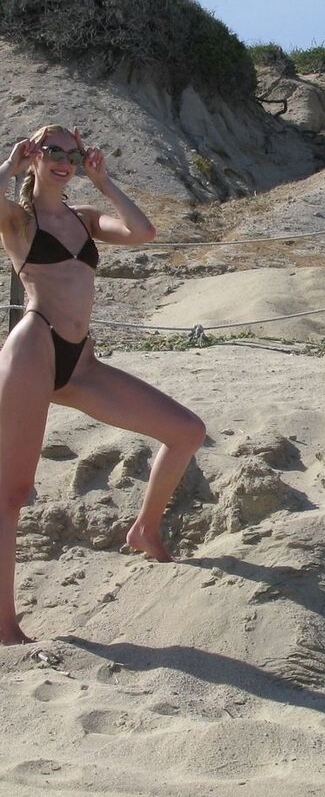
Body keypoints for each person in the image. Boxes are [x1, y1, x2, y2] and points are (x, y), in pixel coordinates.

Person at [0, 124, 205, 645]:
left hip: (81, 363)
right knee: (12, 492)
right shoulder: (19, 221)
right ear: (35, 156)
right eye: (53, 151)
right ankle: (4, 623)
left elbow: (143, 232)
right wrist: (10, 166)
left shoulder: (85, 219)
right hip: (33, 349)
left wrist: (104, 181)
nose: (64, 161)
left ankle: (145, 529)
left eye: (72, 154)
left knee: (186, 431)